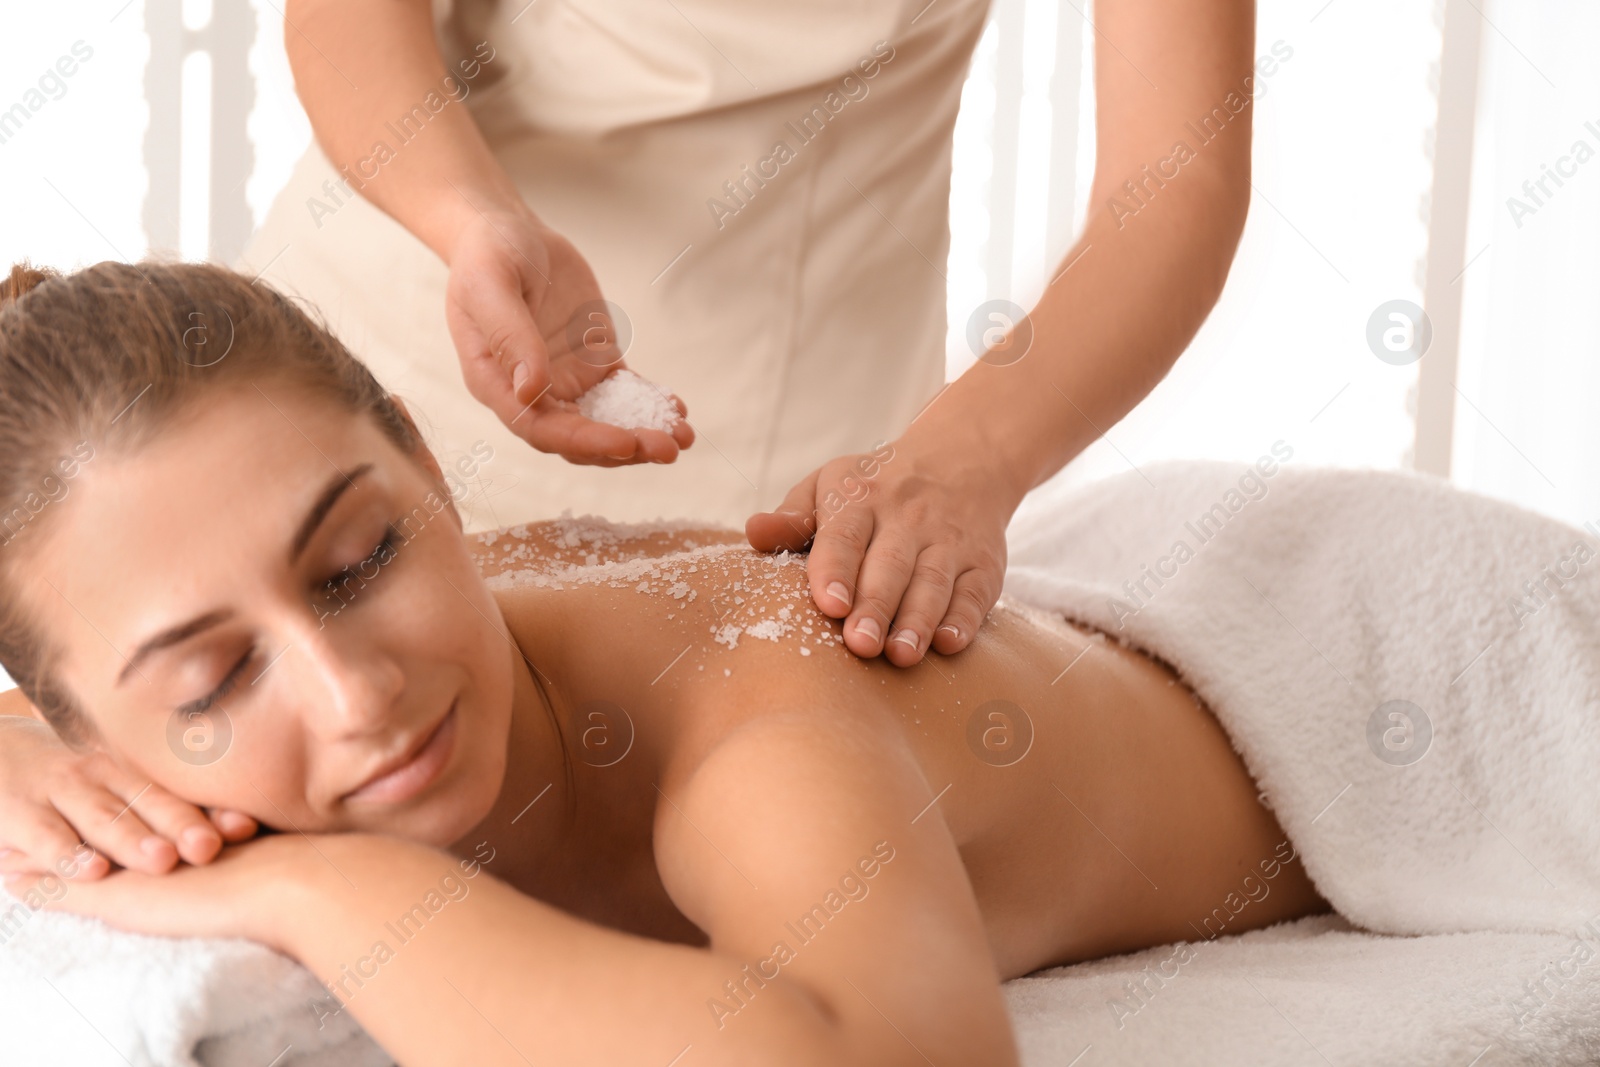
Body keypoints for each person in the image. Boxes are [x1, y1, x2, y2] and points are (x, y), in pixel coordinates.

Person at [0, 261, 1324, 1064]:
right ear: (87, 732)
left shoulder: (751, 731)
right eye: (211, 685)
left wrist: (320, 887)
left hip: (1315, 650)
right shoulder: (79, 729)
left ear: (424, 463)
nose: (355, 693)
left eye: (357, 564)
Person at [250, 0, 1257, 671]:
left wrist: (966, 462)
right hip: (368, 359)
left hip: (770, 509)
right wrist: (473, 222)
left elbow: (1174, 185)